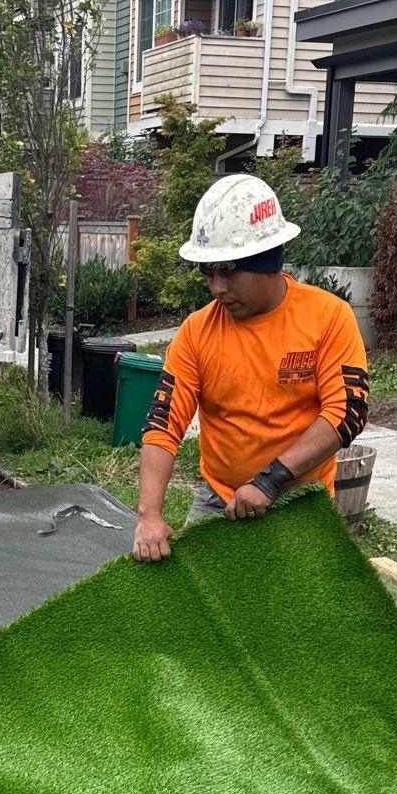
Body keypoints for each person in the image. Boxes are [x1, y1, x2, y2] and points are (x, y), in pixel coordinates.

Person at [133, 172, 370, 561]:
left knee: (301, 616)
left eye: (229, 271)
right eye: (209, 273)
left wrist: (270, 479)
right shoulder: (197, 331)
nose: (217, 287)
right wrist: (149, 515)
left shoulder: (328, 317)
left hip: (301, 499)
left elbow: (347, 413)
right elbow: (163, 425)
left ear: (269, 262)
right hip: (220, 498)